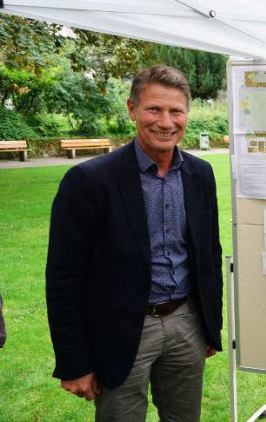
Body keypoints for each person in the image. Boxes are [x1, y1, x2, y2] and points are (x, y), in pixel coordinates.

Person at [46, 65, 223, 422]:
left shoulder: (200, 174)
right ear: (132, 109)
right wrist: (74, 361)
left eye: (176, 111)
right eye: (154, 109)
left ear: (187, 114)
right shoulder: (89, 181)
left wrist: (209, 326)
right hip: (122, 331)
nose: (166, 122)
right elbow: (64, 278)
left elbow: (209, 255)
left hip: (185, 323)